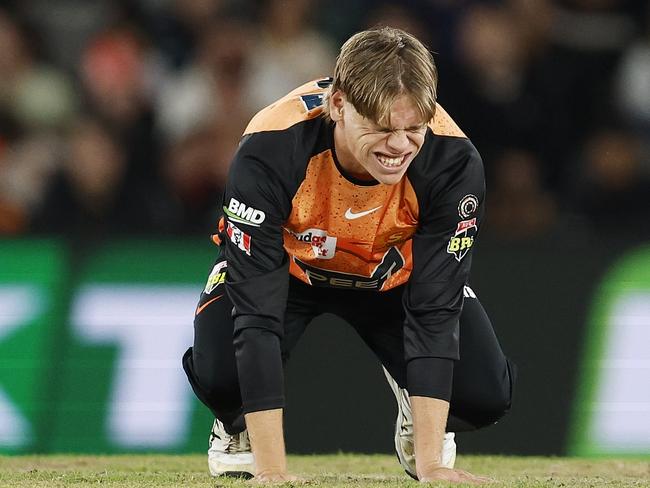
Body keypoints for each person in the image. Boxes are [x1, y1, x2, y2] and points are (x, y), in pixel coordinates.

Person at [182, 27, 515, 484]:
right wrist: (273, 472)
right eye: (380, 127)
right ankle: (235, 428)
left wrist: (433, 463)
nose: (400, 146)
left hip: (394, 278)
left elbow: (435, 311)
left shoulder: (452, 161)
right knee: (223, 374)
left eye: (413, 128)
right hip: (289, 270)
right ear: (338, 105)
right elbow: (256, 315)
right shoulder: (271, 148)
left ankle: (417, 421)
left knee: (483, 394)